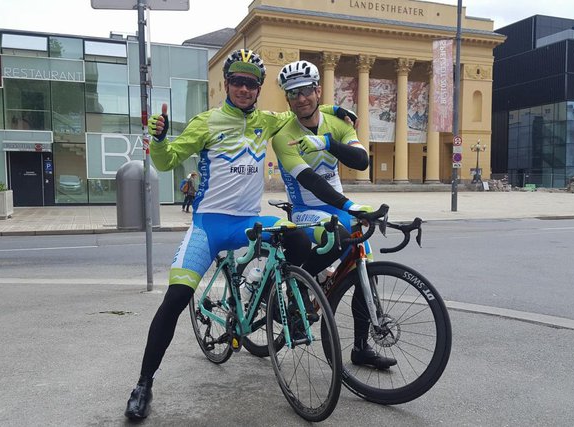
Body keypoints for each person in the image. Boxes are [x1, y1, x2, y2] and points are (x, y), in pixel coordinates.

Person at [125, 48, 367, 420]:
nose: (243, 88)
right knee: (174, 300)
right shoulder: (206, 122)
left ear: (258, 88)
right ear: (227, 84)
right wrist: (157, 140)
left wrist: (335, 111)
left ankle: (281, 297)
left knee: (299, 239)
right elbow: (167, 160)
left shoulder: (267, 121)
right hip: (208, 226)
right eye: (237, 81)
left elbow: (301, 110)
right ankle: (143, 383)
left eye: (251, 83)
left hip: (247, 224)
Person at [272, 60, 398, 371]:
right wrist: (351, 208)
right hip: (306, 209)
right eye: (292, 94)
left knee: (364, 267)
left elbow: (361, 161)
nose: (300, 98)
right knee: (340, 238)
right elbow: (312, 182)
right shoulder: (283, 135)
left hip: (338, 206)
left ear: (317, 90)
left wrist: (329, 142)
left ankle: (360, 348)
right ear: (287, 99)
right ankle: (295, 287)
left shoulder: (338, 124)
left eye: (305, 90)